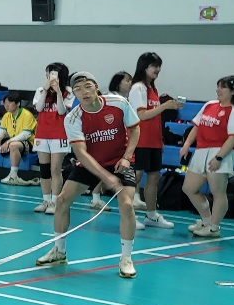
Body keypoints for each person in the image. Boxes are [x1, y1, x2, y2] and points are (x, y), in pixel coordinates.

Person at [35, 72, 141, 278]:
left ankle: (126, 258)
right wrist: (105, 177)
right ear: (73, 93)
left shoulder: (118, 103)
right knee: (62, 200)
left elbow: (135, 129)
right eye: (78, 89)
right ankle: (59, 251)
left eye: (88, 87)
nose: (83, 92)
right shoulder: (73, 118)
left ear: (96, 87)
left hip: (120, 161)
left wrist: (127, 157)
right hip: (90, 163)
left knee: (127, 205)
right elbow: (81, 154)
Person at [179, 76, 234, 238]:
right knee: (188, 188)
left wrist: (219, 158)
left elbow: (233, 138)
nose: (218, 90)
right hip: (201, 151)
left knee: (218, 192)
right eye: (218, 86)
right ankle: (206, 220)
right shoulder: (209, 105)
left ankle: (214, 228)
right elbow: (197, 126)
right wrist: (187, 144)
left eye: (223, 87)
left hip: (221, 152)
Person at [126, 52, 183, 230]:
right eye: (154, 66)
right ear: (144, 67)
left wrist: (160, 140)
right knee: (133, 178)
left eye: (159, 66)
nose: (157, 69)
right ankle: (129, 216)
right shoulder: (138, 88)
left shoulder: (153, 89)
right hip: (140, 140)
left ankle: (151, 215)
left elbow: (155, 119)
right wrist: (165, 106)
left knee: (153, 177)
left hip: (153, 141)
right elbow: (141, 115)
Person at [32, 63, 74, 213]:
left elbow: (62, 111)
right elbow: (38, 108)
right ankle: (46, 200)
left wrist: (57, 92)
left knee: (55, 169)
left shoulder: (68, 92)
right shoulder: (40, 90)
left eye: (52, 74)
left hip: (59, 135)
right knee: (44, 169)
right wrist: (45, 90)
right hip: (42, 134)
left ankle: (55, 202)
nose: (49, 76)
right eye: (48, 73)